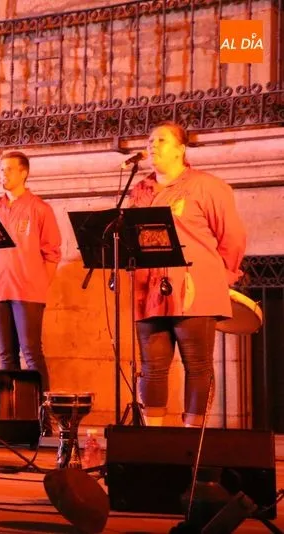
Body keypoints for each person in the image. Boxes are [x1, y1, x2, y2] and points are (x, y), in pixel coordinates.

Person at [130, 121, 247, 427]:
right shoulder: (140, 190)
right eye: (151, 140)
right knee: (152, 366)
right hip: (150, 291)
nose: (153, 145)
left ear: (181, 149)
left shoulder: (207, 186)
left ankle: (191, 439)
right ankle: (152, 440)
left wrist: (222, 278)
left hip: (195, 288)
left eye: (162, 140)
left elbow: (232, 237)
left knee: (197, 364)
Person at [0, 151, 61, 392]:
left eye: (8, 169)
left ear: (24, 173)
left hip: (27, 292)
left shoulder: (40, 208)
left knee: (31, 353)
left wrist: (39, 285)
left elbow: (52, 252)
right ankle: (13, 415)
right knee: (6, 356)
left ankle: (42, 413)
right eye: (1, 170)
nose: (3, 174)